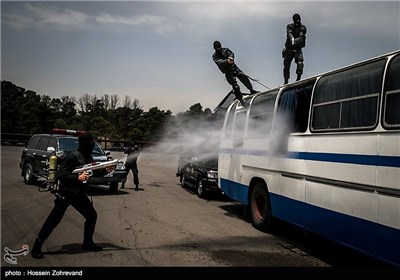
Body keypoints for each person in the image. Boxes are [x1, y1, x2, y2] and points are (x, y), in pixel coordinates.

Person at [31, 133, 114, 259]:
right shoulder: (72, 156)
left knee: (91, 216)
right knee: (53, 220)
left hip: (77, 193)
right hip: (65, 193)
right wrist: (78, 177)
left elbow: (94, 171)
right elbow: (61, 174)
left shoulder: (87, 156)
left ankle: (87, 243)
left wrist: (107, 169)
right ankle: (37, 247)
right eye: (91, 143)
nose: (92, 145)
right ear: (86, 144)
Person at [212, 40, 259, 107]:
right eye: (217, 48)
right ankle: (242, 101)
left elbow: (231, 54)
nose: (219, 49)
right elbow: (219, 62)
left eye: (219, 47)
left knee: (244, 78)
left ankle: (251, 90)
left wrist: (231, 58)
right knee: (235, 86)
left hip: (234, 68)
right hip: (228, 72)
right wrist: (227, 61)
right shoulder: (214, 56)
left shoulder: (225, 50)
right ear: (215, 48)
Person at [282, 13, 307, 84]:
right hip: (289, 48)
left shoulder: (303, 27)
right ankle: (285, 82)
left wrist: (295, 41)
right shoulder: (289, 26)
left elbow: (301, 36)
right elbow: (289, 33)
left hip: (297, 48)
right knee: (286, 66)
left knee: (300, 63)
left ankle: (298, 78)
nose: (297, 22)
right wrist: (292, 39)